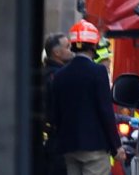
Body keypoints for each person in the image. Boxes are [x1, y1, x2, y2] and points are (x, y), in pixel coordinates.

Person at [49, 20, 125, 175]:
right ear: (93, 45)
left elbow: (55, 112)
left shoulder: (60, 75)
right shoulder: (98, 72)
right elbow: (105, 111)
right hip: (94, 147)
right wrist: (116, 146)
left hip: (69, 147)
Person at [42, 32, 74, 175]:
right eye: (67, 47)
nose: (71, 50)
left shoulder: (46, 74)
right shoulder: (58, 77)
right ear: (56, 53)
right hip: (59, 143)